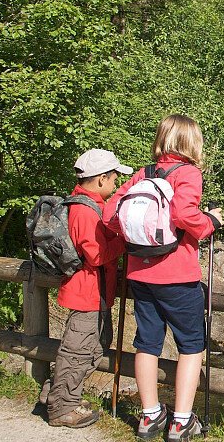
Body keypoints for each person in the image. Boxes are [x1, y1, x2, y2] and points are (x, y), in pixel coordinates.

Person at [104, 114, 223, 441]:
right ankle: (181, 421)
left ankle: (150, 416)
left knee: (147, 342)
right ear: (191, 142)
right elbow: (185, 215)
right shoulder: (188, 173)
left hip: (139, 274)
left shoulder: (143, 174)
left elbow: (109, 214)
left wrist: (129, 234)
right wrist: (209, 223)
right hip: (177, 276)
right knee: (191, 345)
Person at [46, 149, 133, 428]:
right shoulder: (84, 210)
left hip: (94, 292)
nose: (116, 183)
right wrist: (124, 241)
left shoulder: (90, 206)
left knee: (94, 346)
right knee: (78, 351)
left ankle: (59, 396)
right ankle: (61, 408)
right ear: (101, 179)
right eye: (114, 178)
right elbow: (95, 255)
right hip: (87, 293)